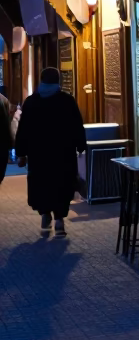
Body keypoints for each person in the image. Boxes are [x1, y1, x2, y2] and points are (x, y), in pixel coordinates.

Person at [15, 68, 86, 234]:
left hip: (39, 155)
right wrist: (80, 146)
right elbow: (76, 125)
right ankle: (60, 220)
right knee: (62, 184)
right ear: (57, 81)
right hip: (63, 154)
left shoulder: (32, 102)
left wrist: (21, 153)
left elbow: (23, 130)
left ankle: (45, 215)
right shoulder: (67, 100)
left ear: (41, 80)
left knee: (42, 185)